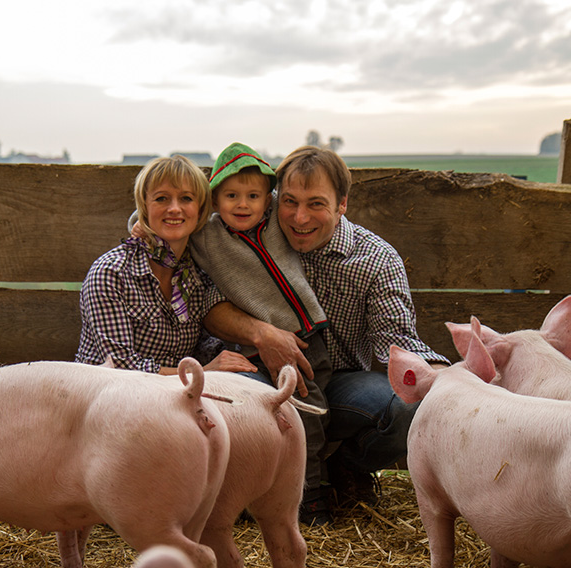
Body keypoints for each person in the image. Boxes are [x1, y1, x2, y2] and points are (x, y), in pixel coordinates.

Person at [272, 145, 450, 519]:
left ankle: (348, 468)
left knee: (408, 404)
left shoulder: (375, 259)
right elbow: (188, 215)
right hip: (264, 379)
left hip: (337, 384)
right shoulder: (259, 237)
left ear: (342, 204)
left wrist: (449, 381)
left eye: (316, 204)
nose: (299, 217)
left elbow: (396, 345)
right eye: (289, 201)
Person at [184, 142, 334, 524]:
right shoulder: (207, 235)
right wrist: (135, 220)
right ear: (214, 200)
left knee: (313, 411)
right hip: (257, 348)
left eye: (253, 195)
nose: (243, 204)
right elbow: (164, 213)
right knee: (290, 417)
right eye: (231, 195)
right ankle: (295, 499)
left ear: (267, 199)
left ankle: (310, 489)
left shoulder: (278, 226)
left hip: (307, 338)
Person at [75, 154, 313, 382]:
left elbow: (204, 340)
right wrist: (203, 371)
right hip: (106, 399)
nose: (175, 209)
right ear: (144, 208)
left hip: (175, 397)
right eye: (161, 199)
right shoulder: (110, 272)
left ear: (201, 210)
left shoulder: (197, 273)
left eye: (186, 199)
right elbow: (119, 366)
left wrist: (241, 354)